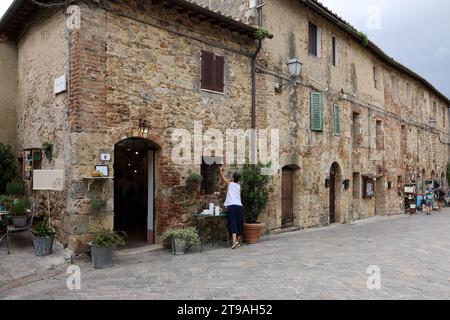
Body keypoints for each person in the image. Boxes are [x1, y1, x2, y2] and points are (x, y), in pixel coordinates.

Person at [218, 165, 244, 249]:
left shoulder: (230, 184)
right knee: (239, 223)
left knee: (232, 222)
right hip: (239, 206)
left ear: (233, 178)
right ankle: (238, 241)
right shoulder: (238, 186)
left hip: (232, 206)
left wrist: (220, 170)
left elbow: (222, 178)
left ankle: (234, 241)